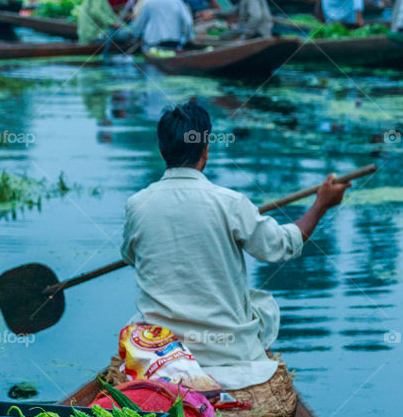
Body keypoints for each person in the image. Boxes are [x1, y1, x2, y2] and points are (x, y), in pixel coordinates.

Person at [120, 101, 348, 389]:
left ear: (162, 150)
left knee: (138, 322)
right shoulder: (230, 203)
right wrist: (321, 205)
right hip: (229, 351)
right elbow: (282, 245)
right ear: (206, 151)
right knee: (263, 306)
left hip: (162, 352)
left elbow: (130, 256)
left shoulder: (137, 205)